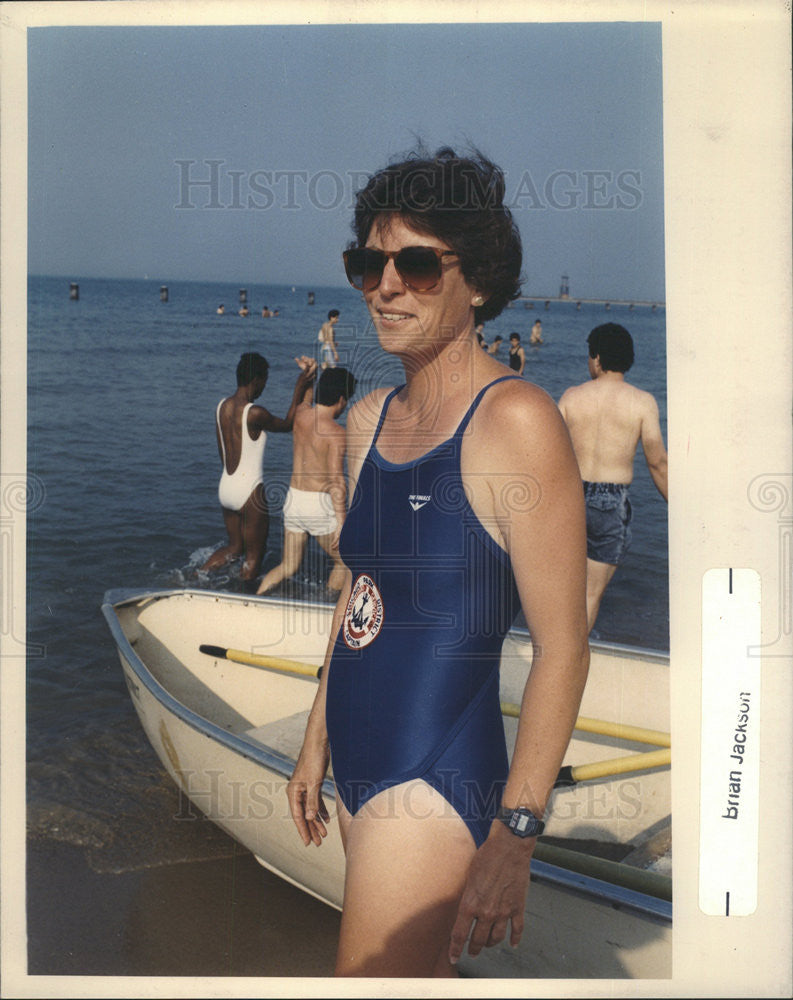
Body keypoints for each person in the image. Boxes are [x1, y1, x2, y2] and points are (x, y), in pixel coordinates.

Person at [288, 147, 589, 978]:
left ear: (479, 283)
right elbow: (359, 595)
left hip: (433, 775)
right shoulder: (368, 418)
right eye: (368, 263)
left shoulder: (514, 421)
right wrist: (315, 739)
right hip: (355, 756)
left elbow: (564, 649)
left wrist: (515, 836)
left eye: (417, 265)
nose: (385, 286)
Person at [558, 323, 668, 632]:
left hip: (569, 498)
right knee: (590, 595)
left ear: (596, 358)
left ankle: (556, 652)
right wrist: (679, 505)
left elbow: (547, 450)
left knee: (565, 591)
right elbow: (657, 462)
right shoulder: (642, 401)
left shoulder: (571, 395)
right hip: (611, 502)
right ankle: (574, 659)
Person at [201, 352, 317, 588]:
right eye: (265, 380)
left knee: (234, 548)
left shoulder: (221, 406)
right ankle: (246, 601)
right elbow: (287, 425)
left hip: (226, 487)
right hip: (249, 490)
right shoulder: (255, 413)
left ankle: (194, 579)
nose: (264, 386)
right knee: (254, 558)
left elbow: (224, 449)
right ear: (256, 380)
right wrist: (300, 386)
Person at [256, 367, 357, 597]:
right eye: (346, 401)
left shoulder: (301, 416)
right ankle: (327, 608)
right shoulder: (335, 433)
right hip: (319, 506)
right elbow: (336, 481)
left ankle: (253, 601)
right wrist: (342, 522)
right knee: (345, 563)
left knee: (288, 566)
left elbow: (305, 399)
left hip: (294, 501)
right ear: (341, 399)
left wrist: (310, 374)